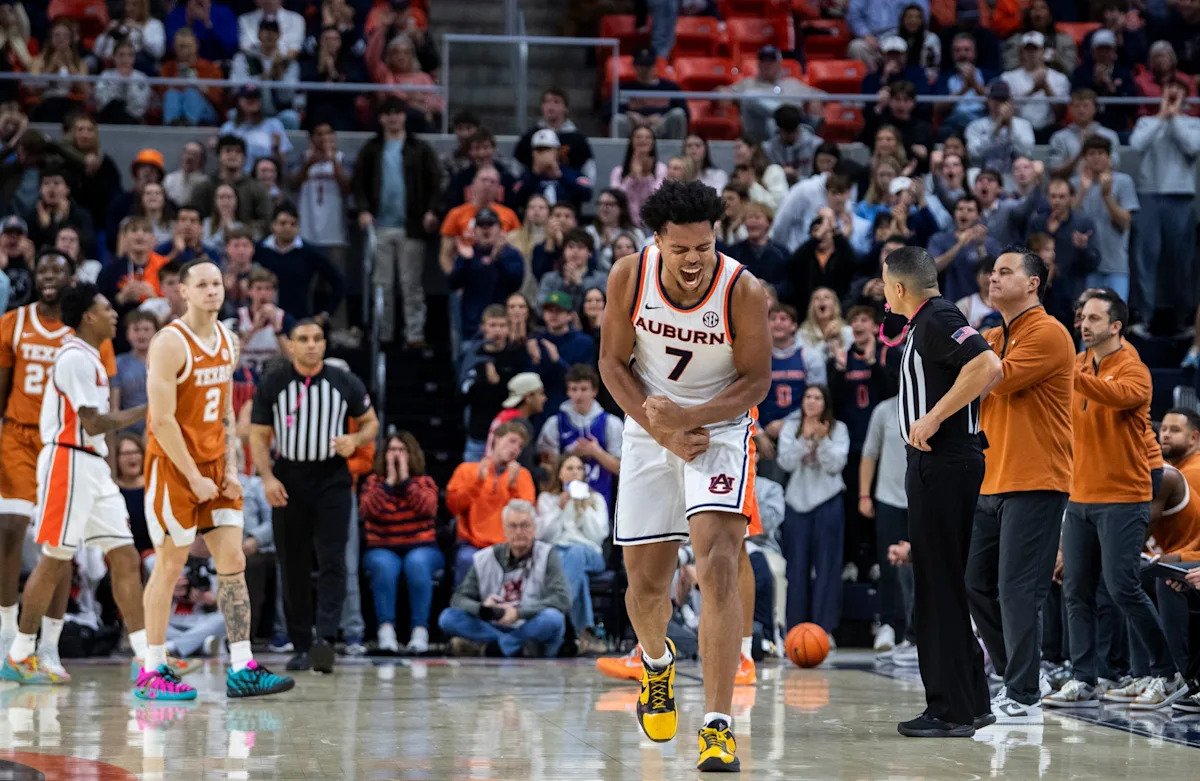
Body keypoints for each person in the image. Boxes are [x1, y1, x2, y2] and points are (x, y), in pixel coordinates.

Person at [598, 180, 771, 771]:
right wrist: (662, 429)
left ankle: (718, 725)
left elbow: (756, 381)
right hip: (649, 422)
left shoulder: (742, 289)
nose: (695, 259)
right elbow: (611, 364)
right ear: (658, 241)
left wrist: (690, 421)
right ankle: (656, 663)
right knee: (646, 586)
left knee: (718, 563)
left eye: (704, 246)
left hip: (720, 429)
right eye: (681, 249)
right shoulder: (629, 276)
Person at [139, 259, 295, 700]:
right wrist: (193, 476)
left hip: (215, 468)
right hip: (174, 468)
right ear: (184, 292)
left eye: (216, 283)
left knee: (233, 562)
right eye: (202, 284)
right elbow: (162, 421)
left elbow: (225, 411)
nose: (211, 290)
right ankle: (152, 670)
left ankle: (242, 665)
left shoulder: (228, 340)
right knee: (169, 566)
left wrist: (228, 468)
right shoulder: (169, 342)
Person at [1042, 291, 1188, 711]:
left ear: (1116, 326)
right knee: (1075, 590)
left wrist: (1066, 374)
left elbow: (1117, 396)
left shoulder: (1134, 370)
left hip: (1124, 493)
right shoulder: (1077, 364)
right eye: (1081, 317)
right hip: (1080, 493)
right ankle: (1084, 678)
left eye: (1093, 318)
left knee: (1123, 587)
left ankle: (1167, 672)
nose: (1083, 325)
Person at [881, 245, 1003, 737]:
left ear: (899, 287)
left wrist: (934, 416)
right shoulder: (929, 321)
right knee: (945, 582)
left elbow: (988, 366)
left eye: (885, 284)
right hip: (948, 461)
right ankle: (972, 701)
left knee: (936, 586)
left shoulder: (936, 317)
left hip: (942, 461)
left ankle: (949, 710)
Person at [1, 284, 148, 685]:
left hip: (93, 465)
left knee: (125, 556)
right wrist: (150, 409)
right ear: (88, 316)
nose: (114, 314)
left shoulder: (92, 357)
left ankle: (148, 661)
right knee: (55, 558)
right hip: (68, 460)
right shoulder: (73, 357)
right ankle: (19, 654)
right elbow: (93, 422)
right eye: (106, 308)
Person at [964, 250, 1075, 725]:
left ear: (1033, 283)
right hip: (991, 479)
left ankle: (1024, 693)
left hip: (1036, 480)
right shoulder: (992, 335)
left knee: (1018, 589)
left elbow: (996, 378)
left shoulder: (1049, 333)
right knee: (975, 583)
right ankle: (1020, 674)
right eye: (992, 271)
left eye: (1005, 271)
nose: (994, 277)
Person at [249, 319, 377, 672]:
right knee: (293, 563)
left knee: (334, 560)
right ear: (290, 345)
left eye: (317, 338)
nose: (311, 344)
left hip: (331, 477)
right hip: (289, 476)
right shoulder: (274, 382)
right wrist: (267, 478)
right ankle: (302, 642)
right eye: (303, 339)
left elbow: (371, 422)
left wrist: (355, 440)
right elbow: (258, 434)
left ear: (324, 344)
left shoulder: (344, 381)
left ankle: (327, 639)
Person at [349, 97, 442, 347]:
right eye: (387, 113)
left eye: (397, 113)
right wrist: (363, 210)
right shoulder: (371, 149)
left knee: (411, 284)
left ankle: (415, 335)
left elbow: (435, 182)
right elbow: (358, 184)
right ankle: (384, 334)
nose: (392, 118)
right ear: (380, 119)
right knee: (383, 285)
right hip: (380, 226)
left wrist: (432, 211)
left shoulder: (419, 148)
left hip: (411, 227)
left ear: (404, 116)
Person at [438, 499, 570, 658]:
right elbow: (458, 599)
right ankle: (514, 647)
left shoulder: (548, 555)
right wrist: (484, 610)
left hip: (530, 624)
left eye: (525, 525)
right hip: (495, 624)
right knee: (448, 617)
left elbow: (562, 599)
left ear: (534, 528)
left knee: (553, 619)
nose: (519, 531)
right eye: (513, 526)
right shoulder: (485, 558)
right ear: (504, 530)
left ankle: (493, 648)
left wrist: (519, 613)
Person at [776, 385, 850, 640]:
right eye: (808, 397)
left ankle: (824, 629)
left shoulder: (838, 429)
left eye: (818, 397)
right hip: (796, 502)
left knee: (828, 567)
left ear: (825, 402)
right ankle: (795, 629)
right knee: (796, 567)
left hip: (828, 500)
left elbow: (836, 465)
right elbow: (785, 462)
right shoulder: (791, 428)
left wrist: (823, 440)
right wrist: (804, 440)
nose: (812, 401)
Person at [1129, 78, 1200, 334]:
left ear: (1185, 96)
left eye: (1178, 92)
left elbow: (1192, 147)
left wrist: (1175, 117)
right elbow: (1137, 145)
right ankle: (1144, 316)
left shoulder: (1193, 123)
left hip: (1180, 196)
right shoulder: (1147, 121)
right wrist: (1161, 116)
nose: (1172, 95)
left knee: (1182, 259)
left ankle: (1184, 318)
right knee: (1145, 257)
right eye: (1169, 91)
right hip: (1148, 195)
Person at [536, 454, 610, 654]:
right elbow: (543, 536)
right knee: (578, 575)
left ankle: (557, 613)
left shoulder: (595, 499)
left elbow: (598, 535)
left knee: (575, 553)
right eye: (569, 468)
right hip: (557, 551)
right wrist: (559, 508)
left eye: (579, 468)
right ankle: (584, 633)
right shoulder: (547, 499)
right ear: (560, 473)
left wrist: (583, 509)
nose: (575, 472)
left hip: (589, 552)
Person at [446, 422, 537, 583]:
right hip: (472, 544)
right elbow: (454, 507)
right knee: (466, 559)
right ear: (496, 439)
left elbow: (526, 516)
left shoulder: (522, 475)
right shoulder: (466, 469)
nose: (515, 448)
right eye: (512, 441)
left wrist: (513, 486)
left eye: (520, 446)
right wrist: (477, 483)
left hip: (509, 546)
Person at [860, 393, 911, 653]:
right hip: (888, 497)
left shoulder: (934, 403)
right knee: (889, 564)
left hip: (922, 498)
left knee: (920, 566)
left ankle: (914, 630)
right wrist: (864, 494)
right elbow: (870, 453)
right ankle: (888, 624)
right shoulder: (884, 409)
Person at [536, 363, 623, 507]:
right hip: (563, 500)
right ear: (567, 391)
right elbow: (546, 468)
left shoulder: (611, 423)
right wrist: (570, 454)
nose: (578, 395)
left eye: (584, 389)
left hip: (600, 501)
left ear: (594, 391)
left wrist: (596, 452)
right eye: (574, 389)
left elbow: (621, 469)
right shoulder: (554, 423)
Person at [1072, 136, 1137, 303]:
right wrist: (1082, 193)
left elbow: (1125, 223)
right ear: (1084, 158)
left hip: (1116, 265)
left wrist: (1107, 196)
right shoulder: (1075, 184)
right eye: (1091, 153)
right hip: (1084, 267)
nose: (1096, 158)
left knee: (1117, 314)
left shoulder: (1123, 182)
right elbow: (1066, 220)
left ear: (1108, 157)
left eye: (1101, 153)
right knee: (1086, 314)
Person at [252, 204, 345, 321]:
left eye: (293, 224)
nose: (288, 228)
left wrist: (325, 314)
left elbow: (338, 282)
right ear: (273, 225)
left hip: (299, 320)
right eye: (283, 223)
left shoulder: (309, 252)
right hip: (262, 319)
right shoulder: (260, 250)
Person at [189, 135, 274, 239]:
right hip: (208, 239)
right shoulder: (204, 187)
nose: (233, 155)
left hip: (248, 241)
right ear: (219, 155)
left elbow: (266, 220)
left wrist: (240, 230)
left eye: (238, 152)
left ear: (244, 157)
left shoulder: (257, 188)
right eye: (228, 151)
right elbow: (193, 216)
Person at [929, 195, 1002, 303]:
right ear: (954, 213)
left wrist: (980, 246)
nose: (964, 213)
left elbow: (994, 275)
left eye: (970, 210)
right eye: (960, 209)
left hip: (983, 304)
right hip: (950, 303)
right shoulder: (940, 239)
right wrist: (960, 244)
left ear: (979, 215)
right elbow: (932, 268)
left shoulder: (990, 243)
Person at [613, 48, 688, 140]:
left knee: (678, 114)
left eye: (647, 66)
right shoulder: (625, 88)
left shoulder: (670, 87)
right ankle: (621, 149)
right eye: (640, 66)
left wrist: (661, 115)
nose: (644, 70)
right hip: (635, 128)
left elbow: (685, 112)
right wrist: (629, 114)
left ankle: (676, 148)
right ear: (634, 67)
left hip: (660, 126)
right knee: (618, 119)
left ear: (654, 66)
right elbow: (609, 110)